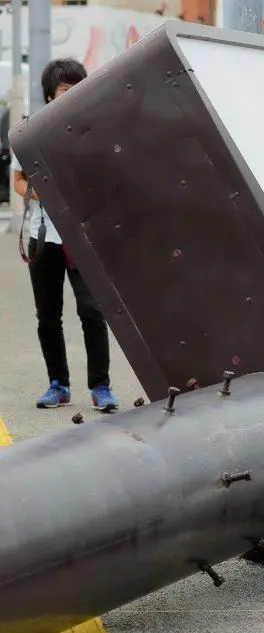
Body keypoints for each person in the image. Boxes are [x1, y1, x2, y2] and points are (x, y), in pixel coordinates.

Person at [12, 58, 120, 412]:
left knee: (92, 312)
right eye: (64, 88)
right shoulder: (30, 131)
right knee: (48, 316)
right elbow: (18, 181)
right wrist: (52, 194)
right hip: (43, 239)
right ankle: (58, 385)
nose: (70, 94)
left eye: (77, 87)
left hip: (82, 236)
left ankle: (100, 388)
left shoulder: (90, 131)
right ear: (49, 93)